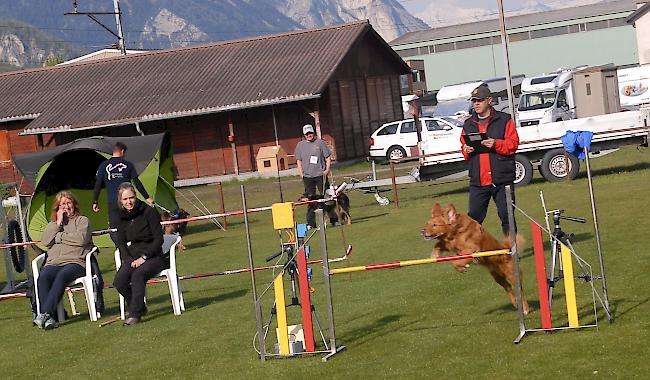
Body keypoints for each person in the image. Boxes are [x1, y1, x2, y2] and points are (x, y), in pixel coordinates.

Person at [460, 85, 519, 236]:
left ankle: (512, 251)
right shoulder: (468, 124)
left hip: (502, 180)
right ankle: (471, 251)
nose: (476, 104)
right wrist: (466, 150)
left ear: (489, 100)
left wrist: (496, 144)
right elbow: (463, 146)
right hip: (478, 182)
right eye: (474, 101)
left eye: (479, 100)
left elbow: (513, 145)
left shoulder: (504, 120)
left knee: (507, 217)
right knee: (473, 218)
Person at [33, 190, 93, 330]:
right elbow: (45, 241)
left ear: (74, 204)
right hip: (54, 262)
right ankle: (50, 319)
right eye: (62, 205)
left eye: (68, 203)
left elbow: (81, 239)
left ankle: (44, 314)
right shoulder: (54, 224)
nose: (65, 206)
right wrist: (58, 223)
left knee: (62, 276)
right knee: (44, 277)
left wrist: (59, 237)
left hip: (75, 262)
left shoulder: (82, 221)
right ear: (58, 208)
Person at [112, 182, 166, 326]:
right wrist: (128, 259)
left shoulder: (149, 212)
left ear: (136, 196)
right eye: (125, 199)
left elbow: (159, 239)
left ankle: (135, 315)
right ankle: (140, 307)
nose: (129, 202)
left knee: (138, 275)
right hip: (133, 255)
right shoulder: (119, 216)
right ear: (120, 201)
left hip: (154, 256)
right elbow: (121, 242)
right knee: (119, 282)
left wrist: (144, 258)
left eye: (131, 197)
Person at [92, 142, 154, 233]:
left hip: (112, 202)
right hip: (127, 201)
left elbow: (97, 184)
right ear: (122, 151)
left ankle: (120, 246)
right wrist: (147, 197)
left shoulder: (103, 165)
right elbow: (137, 182)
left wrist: (95, 201)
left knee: (115, 228)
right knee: (132, 224)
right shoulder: (128, 164)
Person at [294, 124, 338, 228]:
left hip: (320, 175)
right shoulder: (300, 145)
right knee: (310, 199)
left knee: (327, 198)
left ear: (313, 133)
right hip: (308, 177)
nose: (309, 135)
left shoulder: (320, 143)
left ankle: (333, 219)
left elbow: (327, 157)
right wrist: (301, 174)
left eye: (310, 133)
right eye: (307, 134)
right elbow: (298, 161)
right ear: (304, 135)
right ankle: (311, 223)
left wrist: (327, 169)